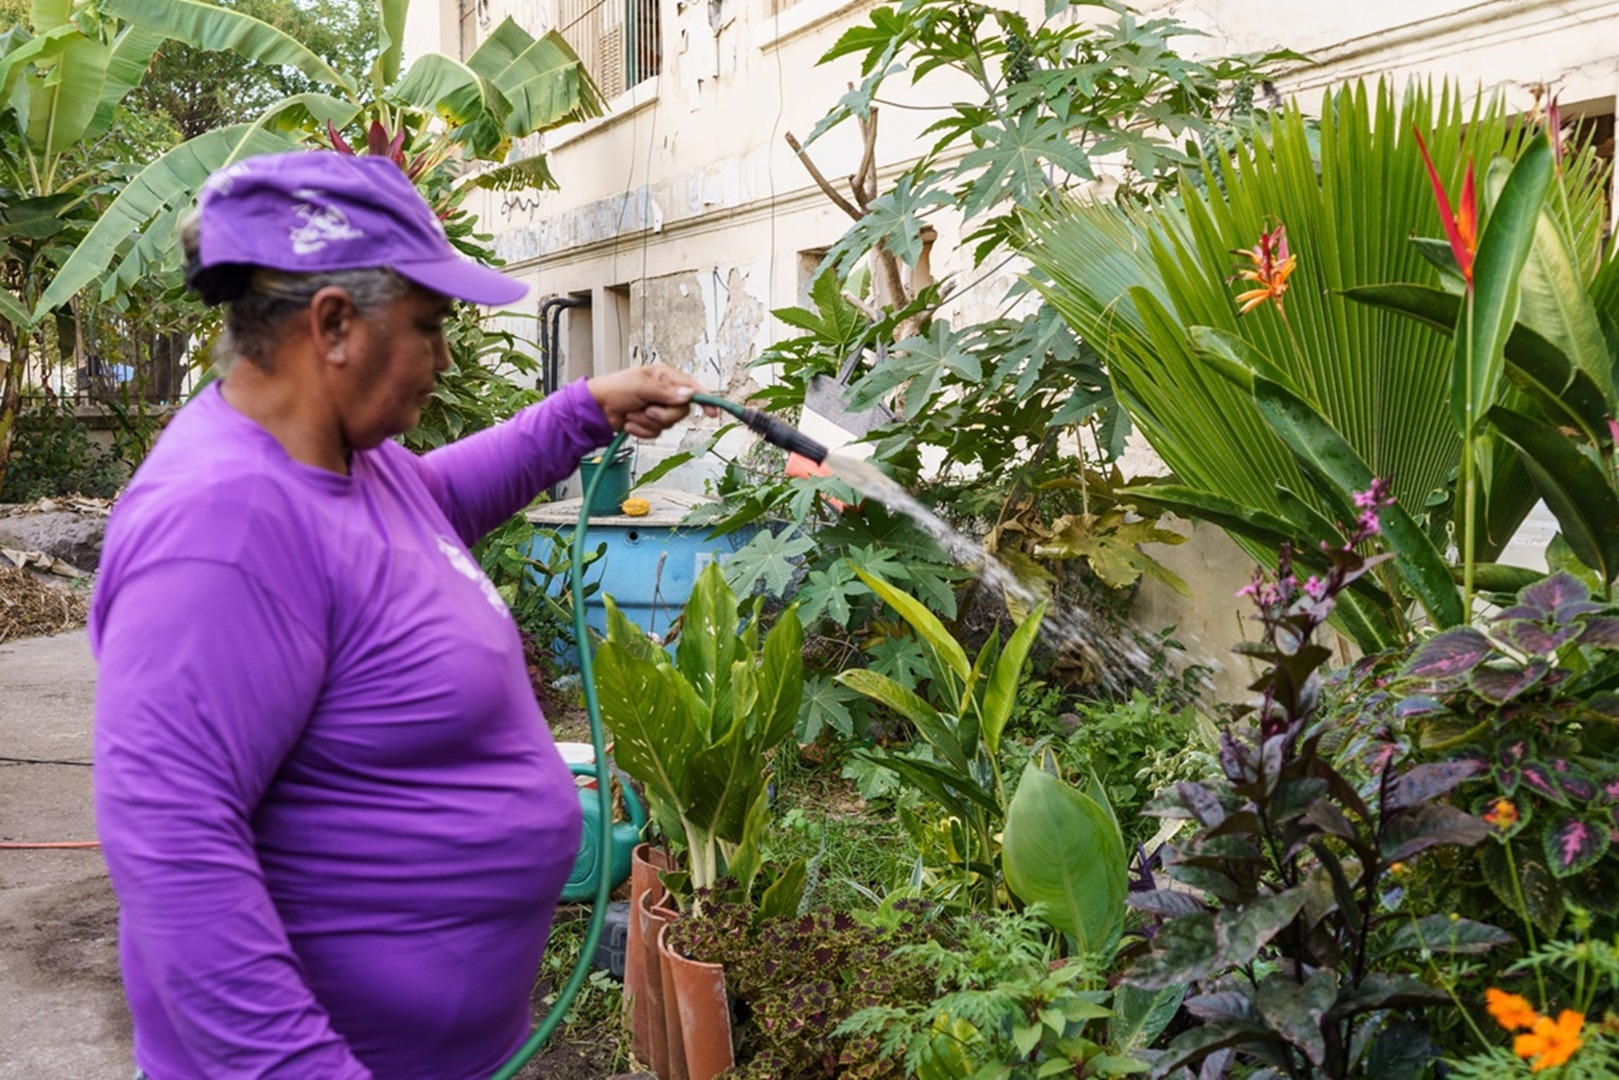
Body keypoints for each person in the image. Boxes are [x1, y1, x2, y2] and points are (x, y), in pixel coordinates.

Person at [91, 150, 715, 1080]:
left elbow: (436, 500)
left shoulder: (352, 466)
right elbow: (175, 858)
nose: (445, 357)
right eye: (429, 327)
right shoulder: (221, 528)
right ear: (334, 324)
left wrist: (587, 410)